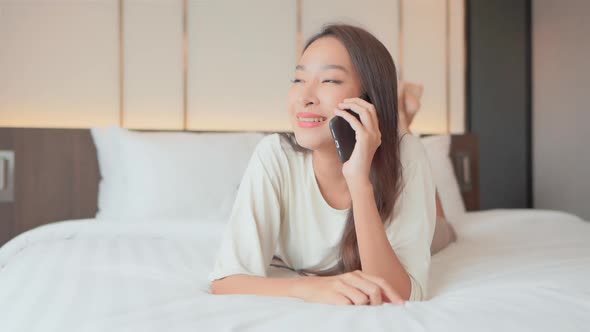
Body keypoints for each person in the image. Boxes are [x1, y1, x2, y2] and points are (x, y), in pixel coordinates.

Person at [208, 23, 436, 306]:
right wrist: (309, 288)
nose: (305, 97)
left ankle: (400, 121)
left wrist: (359, 181)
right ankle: (400, 118)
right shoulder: (275, 156)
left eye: (329, 81)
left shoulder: (407, 155)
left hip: (407, 190)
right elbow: (225, 282)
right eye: (298, 80)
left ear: (368, 100)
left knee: (443, 232)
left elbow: (398, 294)